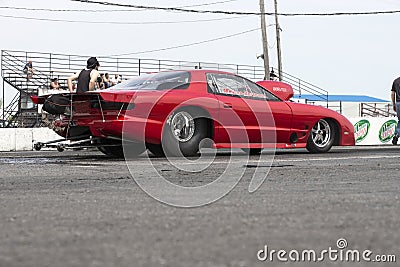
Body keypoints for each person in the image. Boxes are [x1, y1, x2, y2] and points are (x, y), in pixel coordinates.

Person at [391, 76, 400, 145]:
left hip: (398, 103)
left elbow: (392, 94)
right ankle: (397, 135)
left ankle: (396, 135)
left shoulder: (396, 81)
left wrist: (393, 104)